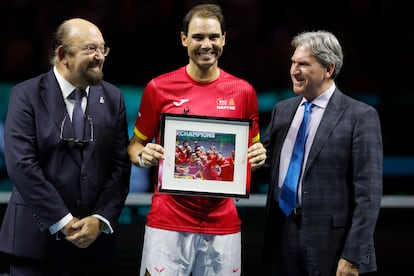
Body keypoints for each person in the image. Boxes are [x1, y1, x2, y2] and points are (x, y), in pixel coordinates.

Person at [127, 4, 266, 276]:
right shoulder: (159, 88)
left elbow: (251, 151)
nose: (207, 44)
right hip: (168, 220)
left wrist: (258, 157)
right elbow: (134, 147)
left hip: (222, 222)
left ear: (224, 39)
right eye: (199, 37)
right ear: (184, 39)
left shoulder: (243, 92)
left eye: (213, 37)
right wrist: (144, 156)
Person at [0, 18, 131, 275]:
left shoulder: (113, 97)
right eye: (90, 49)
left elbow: (120, 167)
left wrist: (99, 219)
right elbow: (22, 165)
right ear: (63, 55)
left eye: (103, 49)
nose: (99, 56)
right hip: (34, 246)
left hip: (94, 248)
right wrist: (64, 221)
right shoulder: (26, 94)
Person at [261, 30, 383, 275]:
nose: (294, 70)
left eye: (303, 64)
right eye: (293, 62)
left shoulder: (360, 116)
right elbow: (266, 166)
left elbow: (368, 196)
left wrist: (353, 256)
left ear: (329, 69)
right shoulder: (282, 111)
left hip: (332, 245)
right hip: (281, 236)